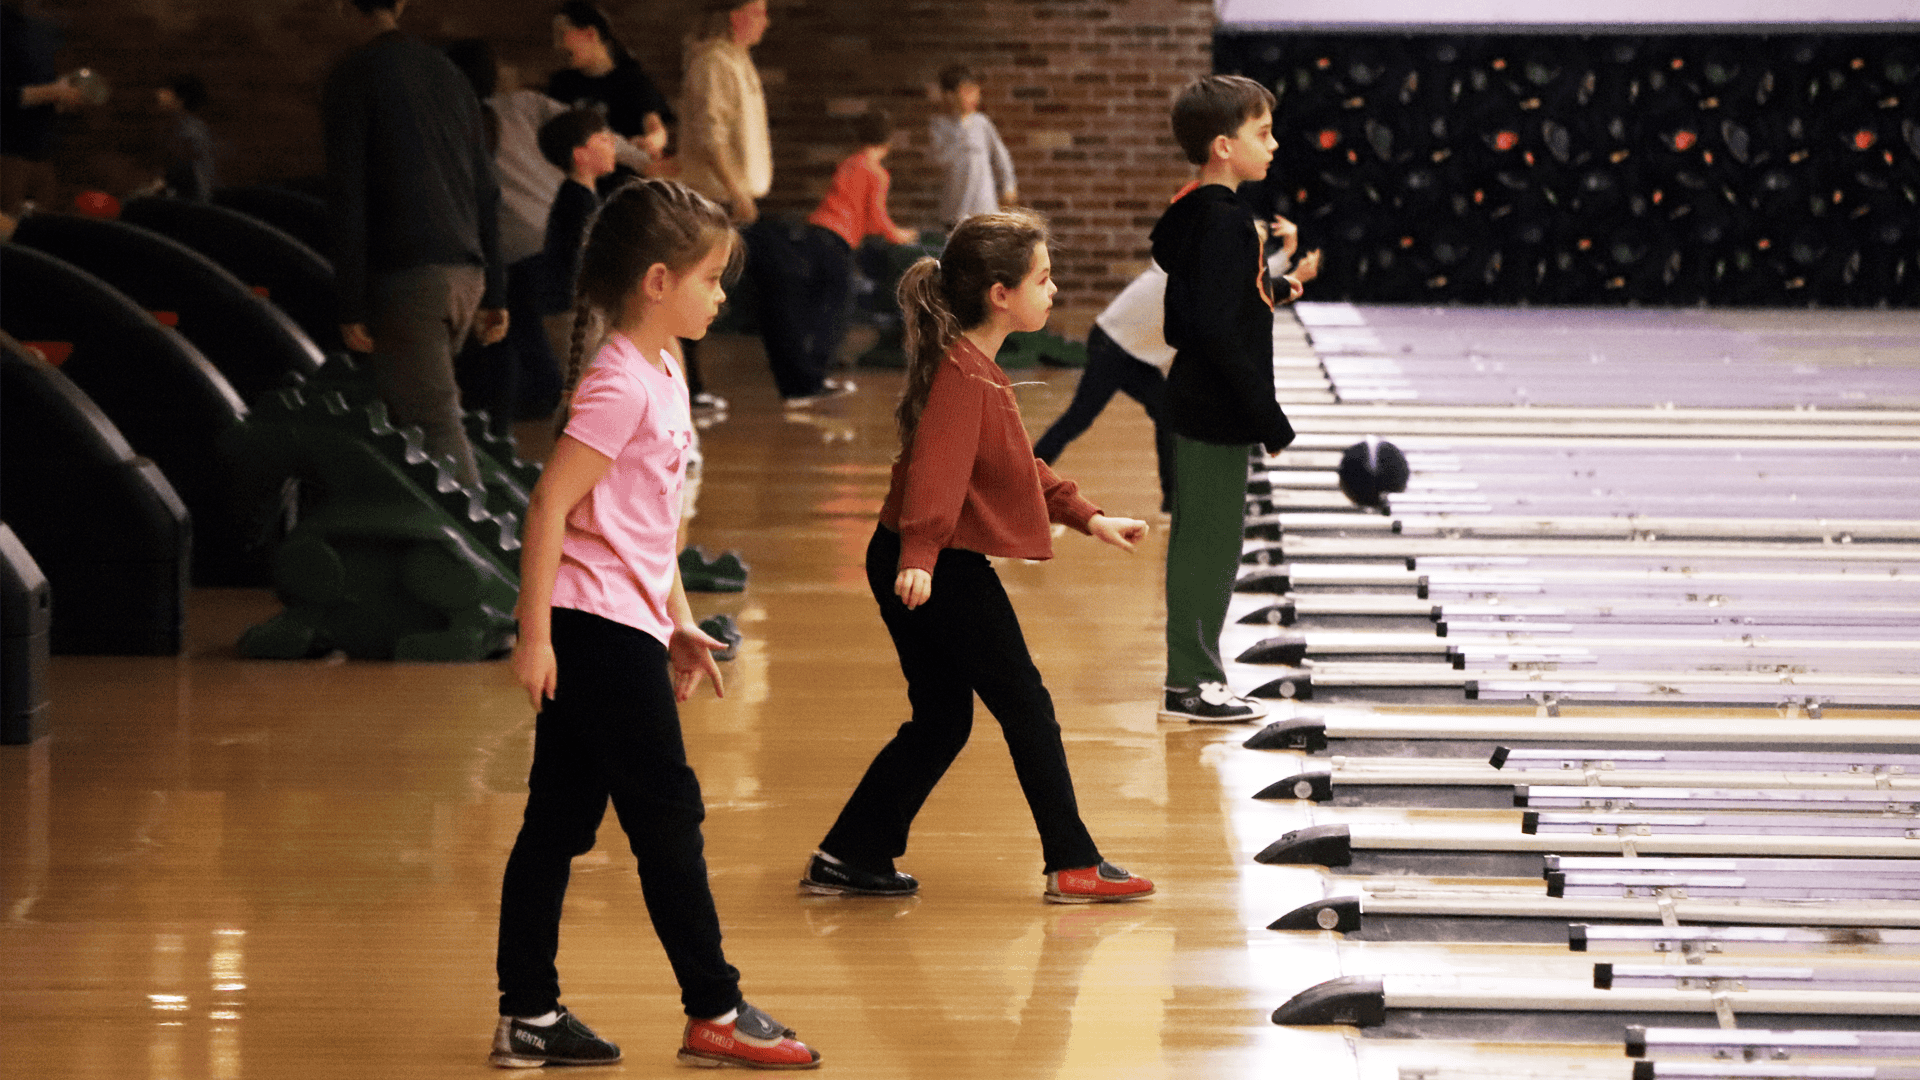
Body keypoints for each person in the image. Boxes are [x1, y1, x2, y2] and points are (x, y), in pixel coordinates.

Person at [494, 178, 819, 1071]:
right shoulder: (619, 384)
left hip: (623, 624)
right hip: (591, 632)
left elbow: (646, 525)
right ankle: (713, 1008)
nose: (722, 294)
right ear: (656, 280)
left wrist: (675, 619)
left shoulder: (665, 369)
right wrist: (534, 637)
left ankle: (528, 1014)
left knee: (557, 822)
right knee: (667, 814)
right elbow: (549, 507)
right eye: (711, 279)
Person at [799, 210, 1157, 905]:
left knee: (942, 719)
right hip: (934, 566)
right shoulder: (967, 375)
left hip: (919, 558)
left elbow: (1015, 466)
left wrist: (1088, 516)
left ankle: (851, 851)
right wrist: (924, 553)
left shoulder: (973, 366)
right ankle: (1072, 862)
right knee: (1026, 705)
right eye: (1043, 279)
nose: (1052, 291)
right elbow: (936, 469)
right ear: (1000, 293)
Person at [1151, 75, 1308, 724]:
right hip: (1214, 411)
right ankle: (1191, 684)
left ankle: (1193, 676)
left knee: (1202, 544)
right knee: (1210, 549)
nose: (1273, 144)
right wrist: (1267, 417)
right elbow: (1218, 329)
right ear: (1223, 146)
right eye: (1262, 133)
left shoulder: (1194, 216)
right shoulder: (1227, 224)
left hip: (1195, 403)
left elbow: (1188, 320)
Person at [1032, 199, 1319, 515]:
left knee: (1166, 414)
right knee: (1079, 417)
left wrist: (1288, 257)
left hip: (1135, 356)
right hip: (1112, 346)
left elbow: (1246, 283)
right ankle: (1025, 483)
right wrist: (1292, 271)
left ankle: (1172, 501)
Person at [323, 0, 507, 489]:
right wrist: (496, 292)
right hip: (465, 274)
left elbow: (349, 193)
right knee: (435, 416)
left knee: (432, 424)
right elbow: (486, 188)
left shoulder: (354, 74)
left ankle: (492, 562)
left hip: (409, 278)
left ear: (343, 8)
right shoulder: (448, 73)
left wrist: (350, 302)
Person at [444, 39, 655, 445]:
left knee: (514, 351)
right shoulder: (522, 108)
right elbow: (590, 129)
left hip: (512, 261)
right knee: (538, 360)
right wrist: (645, 160)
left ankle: (498, 426)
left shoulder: (460, 125)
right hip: (537, 261)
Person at [748, 110, 913, 406]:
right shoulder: (877, 173)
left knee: (816, 305)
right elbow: (876, 217)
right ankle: (814, 377)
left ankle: (808, 374)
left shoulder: (849, 163)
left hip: (814, 234)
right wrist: (899, 235)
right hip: (838, 241)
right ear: (889, 141)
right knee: (837, 310)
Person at [546, 1, 672, 172]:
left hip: (624, 182)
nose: (557, 45)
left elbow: (656, 128)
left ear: (590, 34)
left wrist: (650, 143)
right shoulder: (560, 85)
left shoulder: (632, 80)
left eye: (562, 35)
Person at [1, 0, 84, 216]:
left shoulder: (47, 28)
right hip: (8, 154)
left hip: (42, 150)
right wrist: (55, 92)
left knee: (38, 226)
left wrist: (63, 98)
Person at [928, 64, 1017, 230]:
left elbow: (1001, 155)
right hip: (955, 207)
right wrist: (962, 136)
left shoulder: (982, 123)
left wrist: (1008, 184)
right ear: (949, 95)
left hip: (984, 206)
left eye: (975, 91)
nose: (973, 97)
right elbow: (939, 160)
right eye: (966, 92)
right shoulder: (940, 125)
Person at [154, 74, 215, 202]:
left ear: (181, 99)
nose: (159, 95)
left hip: (192, 200)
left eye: (167, 91)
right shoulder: (175, 127)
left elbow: (188, 172)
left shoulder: (190, 132)